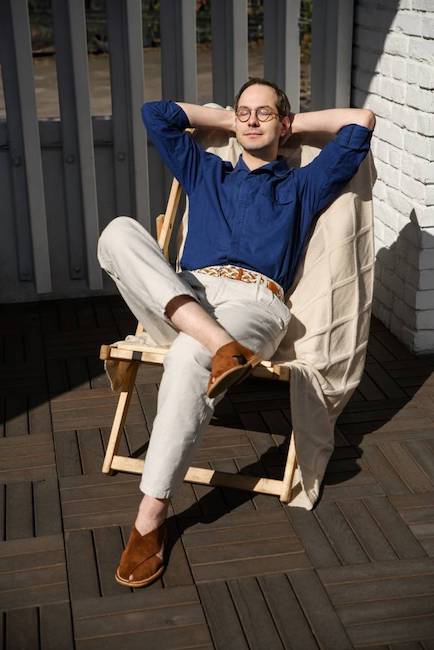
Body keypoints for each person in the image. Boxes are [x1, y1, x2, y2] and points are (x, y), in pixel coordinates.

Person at [97, 77, 375, 588]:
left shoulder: (303, 185)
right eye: (243, 112)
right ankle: (220, 346)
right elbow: (155, 113)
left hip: (253, 303)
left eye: (264, 113)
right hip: (183, 295)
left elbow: (360, 122)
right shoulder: (205, 170)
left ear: (283, 124)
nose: (250, 120)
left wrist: (288, 125)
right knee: (118, 232)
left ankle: (150, 515)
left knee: (189, 355)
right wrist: (229, 119)